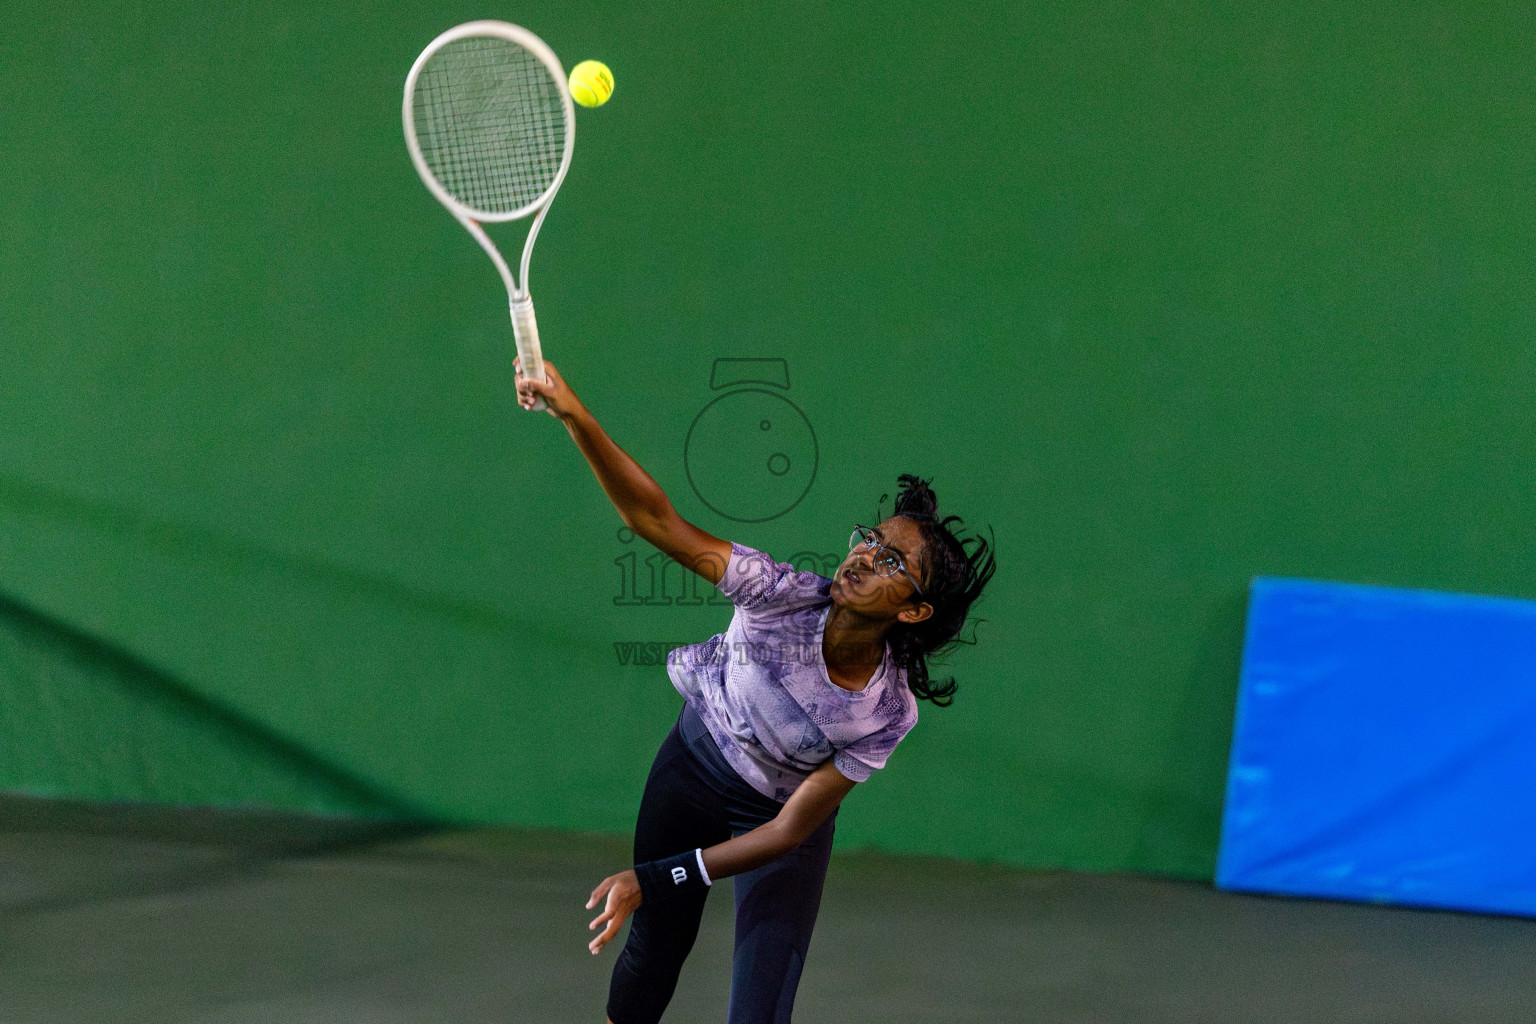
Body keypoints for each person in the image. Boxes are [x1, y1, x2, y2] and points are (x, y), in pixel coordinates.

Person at [514, 357, 997, 1024]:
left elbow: (790, 829)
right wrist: (574, 413)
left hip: (779, 825)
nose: (863, 555)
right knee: (654, 951)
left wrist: (655, 878)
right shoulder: (775, 594)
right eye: (870, 540)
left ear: (913, 610)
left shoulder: (887, 712)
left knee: (762, 1013)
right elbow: (657, 519)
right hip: (690, 771)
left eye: (891, 562)